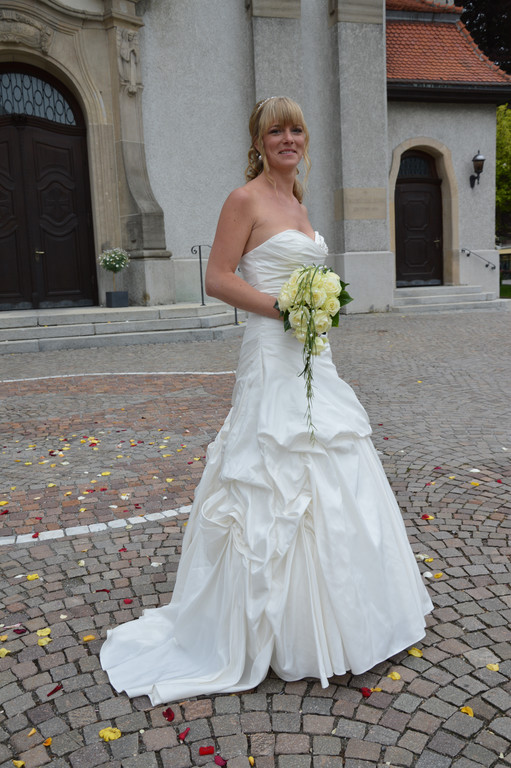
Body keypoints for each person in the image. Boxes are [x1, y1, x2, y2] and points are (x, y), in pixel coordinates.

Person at [100, 96, 433, 705]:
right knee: (271, 469)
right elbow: (218, 278)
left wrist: (316, 308)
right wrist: (284, 308)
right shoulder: (244, 199)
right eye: (275, 130)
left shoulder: (299, 203)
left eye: (296, 129)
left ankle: (352, 613)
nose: (288, 138)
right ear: (258, 142)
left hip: (312, 352)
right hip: (272, 350)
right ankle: (271, 628)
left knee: (333, 455)